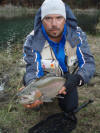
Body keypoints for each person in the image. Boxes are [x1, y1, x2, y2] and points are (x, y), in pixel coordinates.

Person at [23, 0, 95, 115]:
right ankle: (43, 96)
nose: (54, 24)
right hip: (44, 79)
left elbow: (88, 63)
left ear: (65, 19)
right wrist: (33, 87)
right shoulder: (32, 40)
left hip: (67, 78)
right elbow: (32, 69)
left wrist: (77, 79)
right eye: (48, 18)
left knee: (70, 107)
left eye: (59, 18)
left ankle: (56, 94)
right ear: (41, 20)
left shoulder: (76, 35)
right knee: (33, 98)